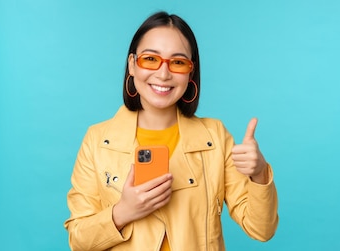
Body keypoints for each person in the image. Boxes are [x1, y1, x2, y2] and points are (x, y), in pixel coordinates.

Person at [64, 11, 278, 251]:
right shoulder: (97, 141)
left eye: (177, 62)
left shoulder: (215, 137)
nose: (163, 74)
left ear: (190, 72)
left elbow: (261, 229)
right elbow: (78, 240)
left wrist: (259, 174)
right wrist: (122, 212)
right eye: (150, 59)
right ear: (132, 65)